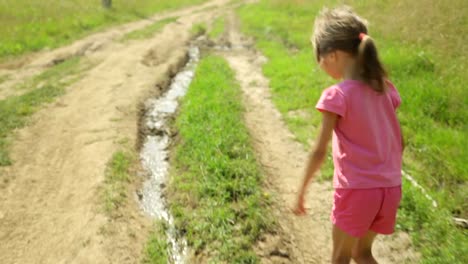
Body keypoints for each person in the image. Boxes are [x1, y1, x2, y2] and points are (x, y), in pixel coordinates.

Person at [293, 6, 405, 264]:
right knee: (362, 253)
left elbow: (319, 151)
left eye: (318, 59)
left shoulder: (337, 95)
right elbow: (400, 141)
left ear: (331, 55)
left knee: (340, 258)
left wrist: (301, 191)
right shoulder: (385, 89)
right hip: (389, 188)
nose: (320, 66)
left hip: (357, 191)